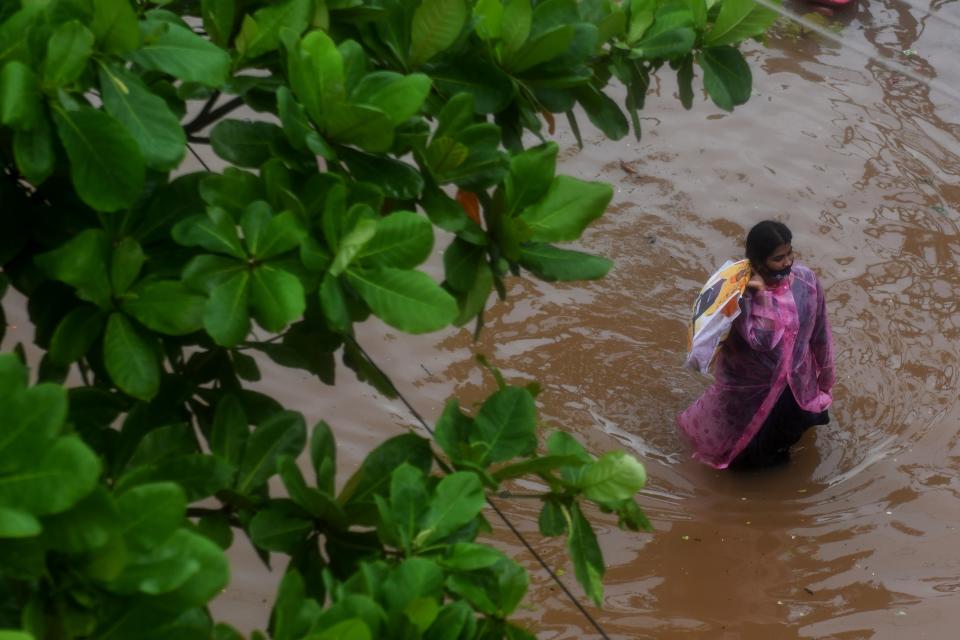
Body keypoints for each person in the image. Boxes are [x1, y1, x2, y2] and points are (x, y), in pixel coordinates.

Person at [677, 220, 835, 469]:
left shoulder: (806, 281)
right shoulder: (740, 296)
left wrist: (825, 380)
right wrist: (762, 294)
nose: (787, 263)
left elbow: (821, 331)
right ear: (760, 262)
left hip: (795, 385)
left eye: (790, 253)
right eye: (778, 258)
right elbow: (762, 340)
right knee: (749, 462)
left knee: (790, 442)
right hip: (751, 393)